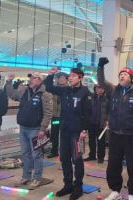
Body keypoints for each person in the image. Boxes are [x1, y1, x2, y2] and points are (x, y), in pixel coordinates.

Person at [97, 57, 133, 200]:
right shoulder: (113, 90)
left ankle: (132, 193)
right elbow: (101, 82)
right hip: (115, 135)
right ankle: (115, 190)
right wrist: (100, 67)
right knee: (113, 165)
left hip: (130, 136)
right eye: (120, 75)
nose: (121, 76)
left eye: (124, 75)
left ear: (130, 78)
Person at [45, 67, 92, 200]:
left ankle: (78, 187)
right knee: (64, 159)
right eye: (69, 76)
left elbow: (88, 114)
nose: (70, 78)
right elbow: (49, 87)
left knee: (77, 160)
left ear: (80, 77)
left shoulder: (85, 93)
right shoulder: (65, 90)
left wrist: (84, 130)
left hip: (77, 133)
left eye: (73, 76)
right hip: (64, 131)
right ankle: (68, 185)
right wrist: (50, 75)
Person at [5, 72, 53, 189]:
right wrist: (9, 82)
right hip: (23, 127)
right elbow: (11, 93)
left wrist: (43, 129)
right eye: (30, 78)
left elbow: (48, 113)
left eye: (34, 78)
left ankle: (37, 178)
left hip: (36, 129)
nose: (31, 80)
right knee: (25, 154)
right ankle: (26, 177)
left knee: (36, 154)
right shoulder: (24, 91)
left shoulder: (45, 94)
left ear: (40, 80)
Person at [84, 84, 109, 163]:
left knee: (101, 141)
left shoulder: (107, 99)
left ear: (104, 90)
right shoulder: (91, 97)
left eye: (101, 88)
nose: (99, 90)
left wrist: (107, 121)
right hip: (91, 122)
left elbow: (109, 112)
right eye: (97, 88)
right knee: (91, 140)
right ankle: (92, 155)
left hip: (101, 123)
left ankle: (100, 157)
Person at [47, 70, 68, 158]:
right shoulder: (54, 90)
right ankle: (54, 151)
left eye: (63, 78)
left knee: (65, 135)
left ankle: (65, 152)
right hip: (55, 117)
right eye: (60, 78)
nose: (62, 80)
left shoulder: (69, 90)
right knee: (54, 134)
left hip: (65, 118)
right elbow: (48, 87)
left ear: (67, 80)